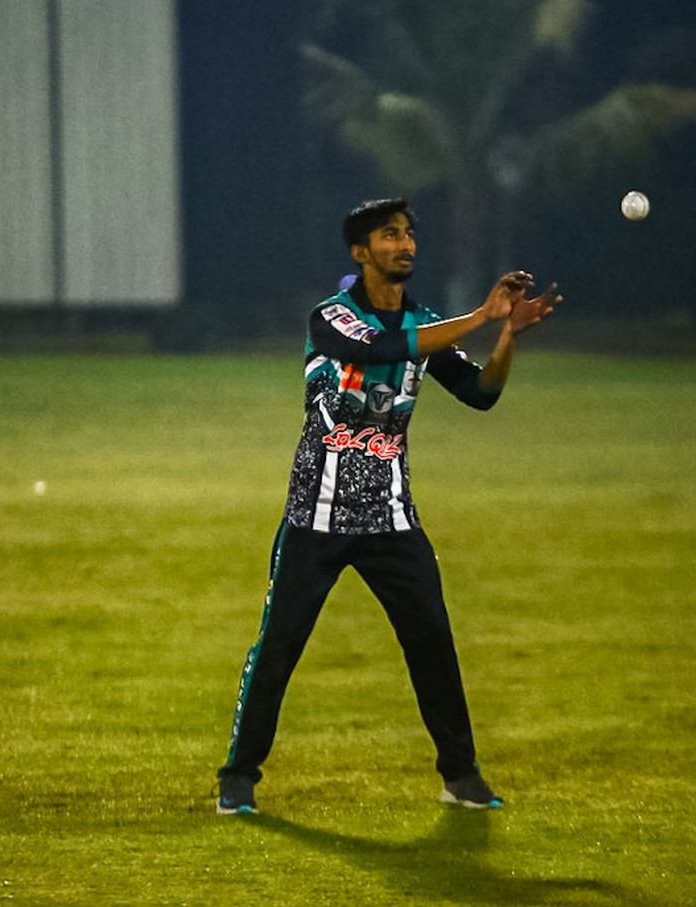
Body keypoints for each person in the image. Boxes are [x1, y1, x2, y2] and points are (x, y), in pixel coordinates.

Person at [216, 197, 560, 814]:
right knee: (279, 646)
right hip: (317, 514)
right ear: (360, 252)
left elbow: (481, 393)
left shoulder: (425, 323)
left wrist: (506, 335)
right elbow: (380, 349)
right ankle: (238, 778)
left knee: (433, 642)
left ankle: (461, 776)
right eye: (389, 235)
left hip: (391, 518)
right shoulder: (332, 316)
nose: (405, 244)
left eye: (408, 234)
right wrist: (482, 314)